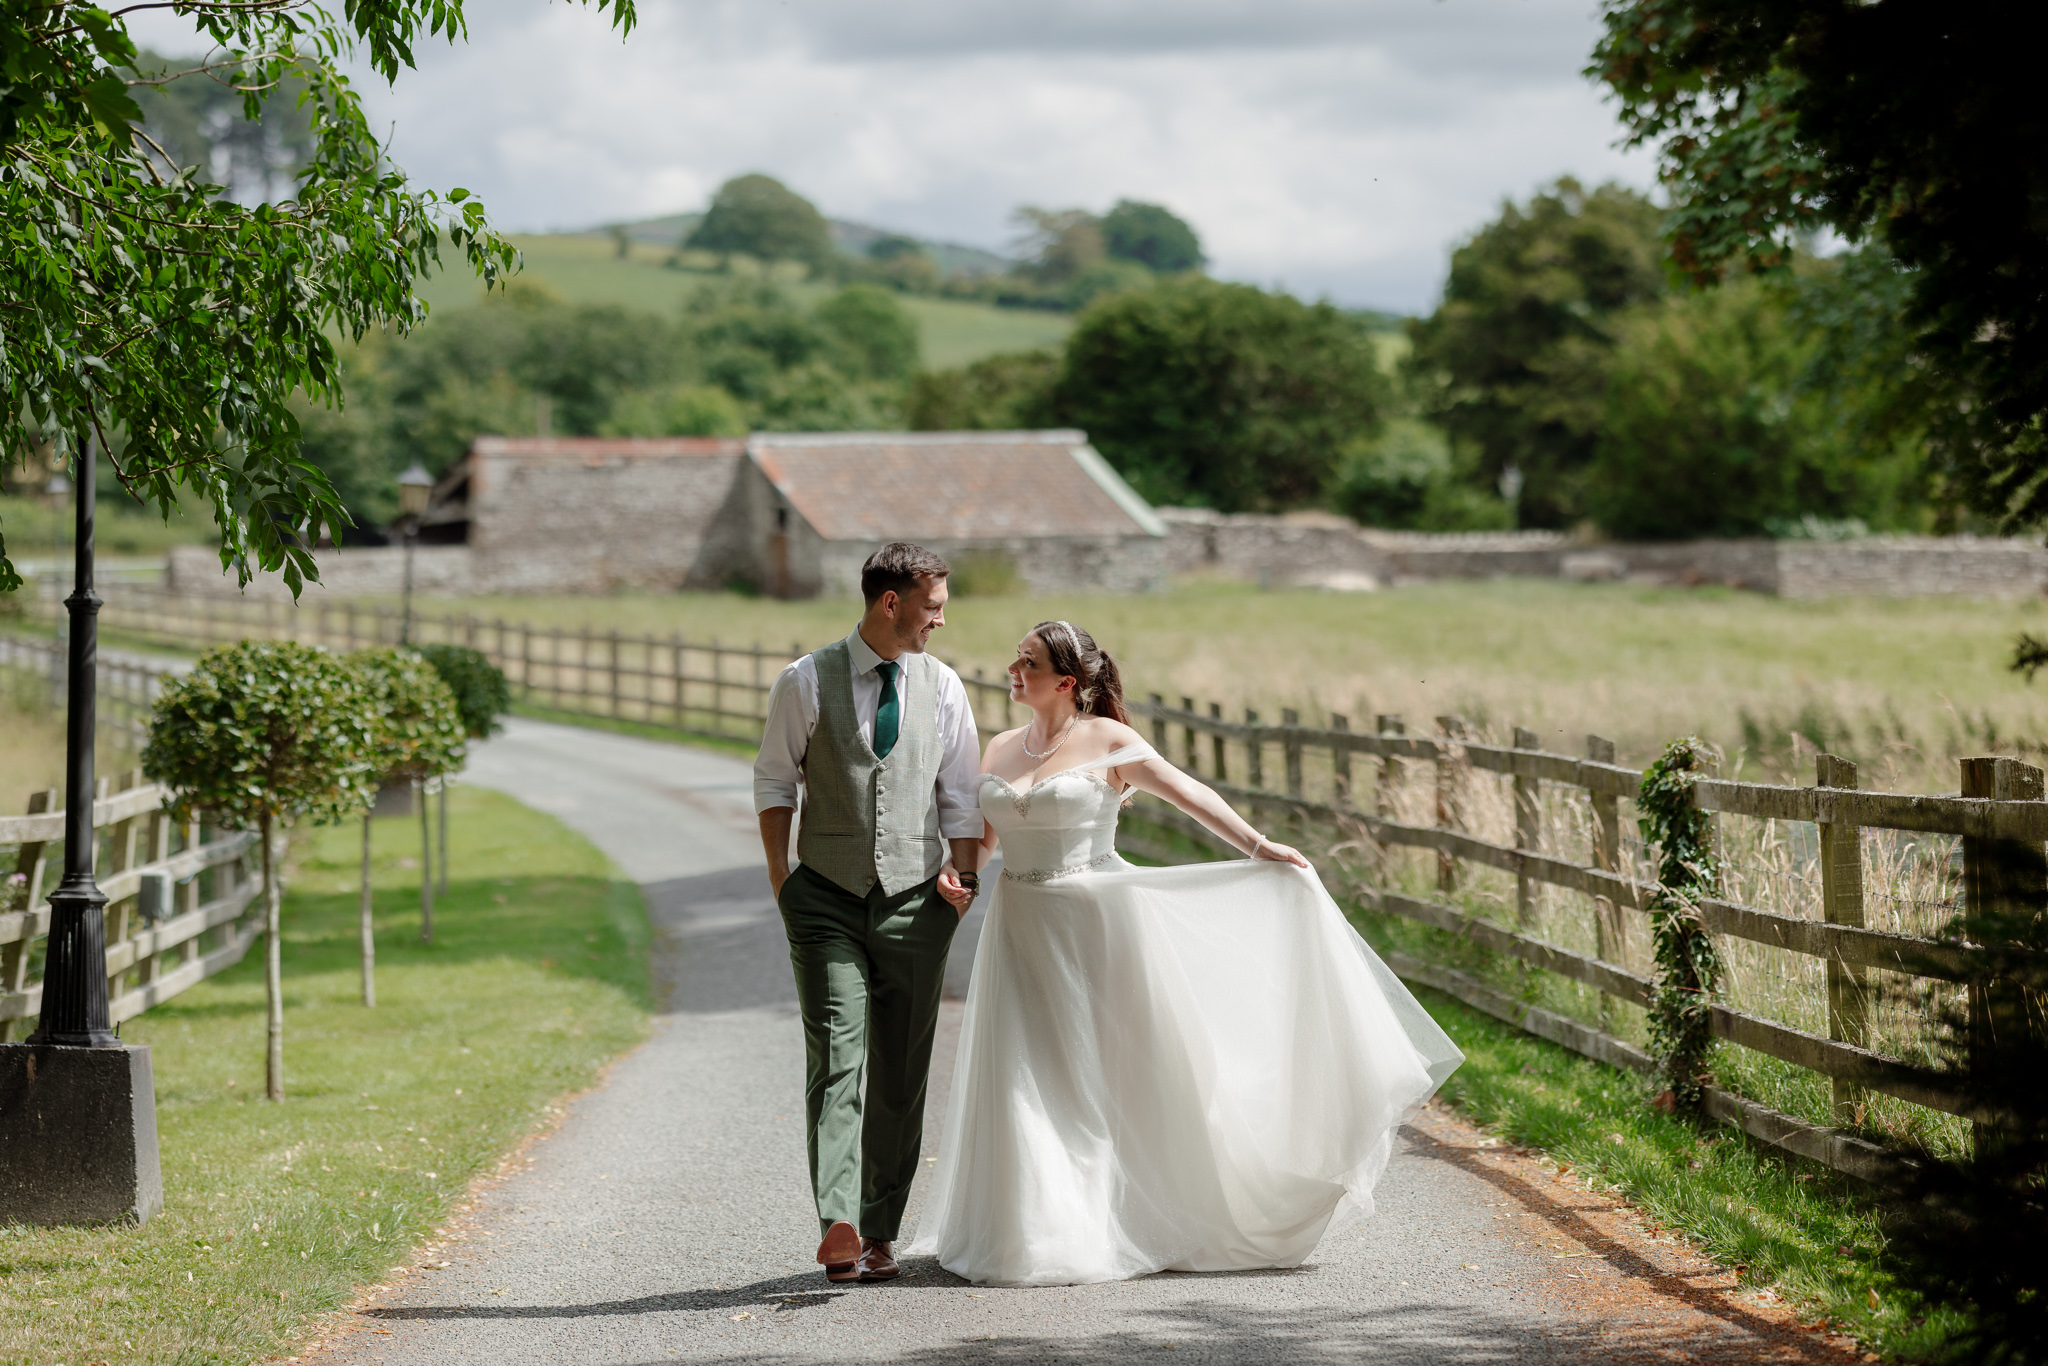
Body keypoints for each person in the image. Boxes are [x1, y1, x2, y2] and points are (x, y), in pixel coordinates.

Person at [907, 620, 1464, 1286]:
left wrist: (1260, 848)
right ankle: (1037, 1226)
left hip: (1097, 923)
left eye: (1026, 662)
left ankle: (1142, 1212)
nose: (1011, 669)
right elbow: (988, 838)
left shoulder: (1110, 741)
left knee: (1108, 1074)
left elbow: (1190, 793)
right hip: (1020, 925)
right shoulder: (998, 748)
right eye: (1015, 659)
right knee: (1025, 1072)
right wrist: (959, 872)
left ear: (1066, 680)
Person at [753, 543, 984, 1284]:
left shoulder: (943, 687)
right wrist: (781, 880)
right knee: (838, 1058)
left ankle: (882, 1228)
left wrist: (965, 875)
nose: (940, 621)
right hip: (822, 896)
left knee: (900, 1071)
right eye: (934, 605)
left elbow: (961, 797)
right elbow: (773, 782)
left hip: (919, 902)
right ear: (893, 602)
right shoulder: (805, 680)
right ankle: (840, 1222)